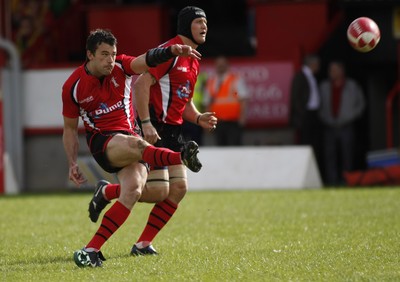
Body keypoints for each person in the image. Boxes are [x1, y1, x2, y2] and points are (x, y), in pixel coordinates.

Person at [62, 28, 203, 268]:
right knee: (138, 144)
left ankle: (90, 250)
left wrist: (171, 51)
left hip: (130, 136)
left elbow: (145, 59)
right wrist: (72, 163)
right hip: (103, 142)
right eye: (104, 54)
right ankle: (180, 156)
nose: (110, 60)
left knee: (137, 191)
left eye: (113, 54)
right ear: (90, 55)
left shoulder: (121, 66)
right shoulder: (73, 86)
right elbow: (70, 129)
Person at [319, 61, 365, 186]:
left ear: (341, 71)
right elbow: (319, 106)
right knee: (330, 156)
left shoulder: (352, 86)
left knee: (347, 155)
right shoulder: (323, 86)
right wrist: (324, 117)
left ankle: (347, 180)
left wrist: (351, 116)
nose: (331, 73)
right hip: (329, 126)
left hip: (346, 126)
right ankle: (332, 181)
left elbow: (360, 104)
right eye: (330, 70)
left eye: (334, 70)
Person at [290, 54, 323, 175]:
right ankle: (304, 173)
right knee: (305, 145)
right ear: (312, 64)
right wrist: (302, 115)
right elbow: (296, 99)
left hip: (314, 115)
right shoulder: (300, 76)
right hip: (305, 117)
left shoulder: (312, 77)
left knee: (315, 145)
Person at [204, 55, 249, 146]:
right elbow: (207, 103)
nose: (220, 66)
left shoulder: (235, 79)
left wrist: (242, 118)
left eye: (223, 64)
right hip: (218, 122)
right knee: (220, 149)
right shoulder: (211, 81)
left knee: (234, 148)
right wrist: (207, 123)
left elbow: (243, 100)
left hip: (233, 122)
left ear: (227, 65)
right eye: (218, 64)